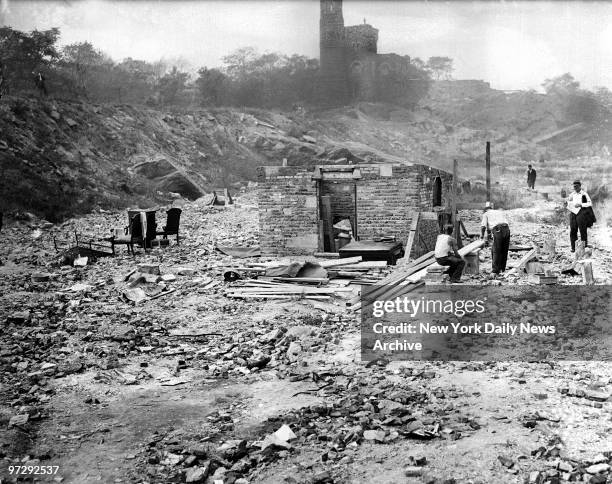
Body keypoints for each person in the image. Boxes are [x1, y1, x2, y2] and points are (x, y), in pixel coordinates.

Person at [480, 202, 510, 274]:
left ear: (485, 210)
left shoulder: (486, 214)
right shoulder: (499, 212)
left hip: (498, 230)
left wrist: (481, 236)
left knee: (496, 250)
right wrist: (490, 235)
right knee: (504, 250)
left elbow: (483, 226)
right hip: (507, 229)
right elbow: (489, 227)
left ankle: (495, 270)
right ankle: (502, 268)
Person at [566, 180, 594, 252]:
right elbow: (568, 201)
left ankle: (583, 247)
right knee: (573, 230)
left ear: (580, 186)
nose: (575, 188)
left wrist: (581, 204)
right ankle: (573, 247)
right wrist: (568, 203)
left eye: (576, 186)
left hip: (581, 213)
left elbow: (590, 203)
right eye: (574, 186)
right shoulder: (572, 194)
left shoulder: (584, 194)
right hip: (573, 213)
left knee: (582, 230)